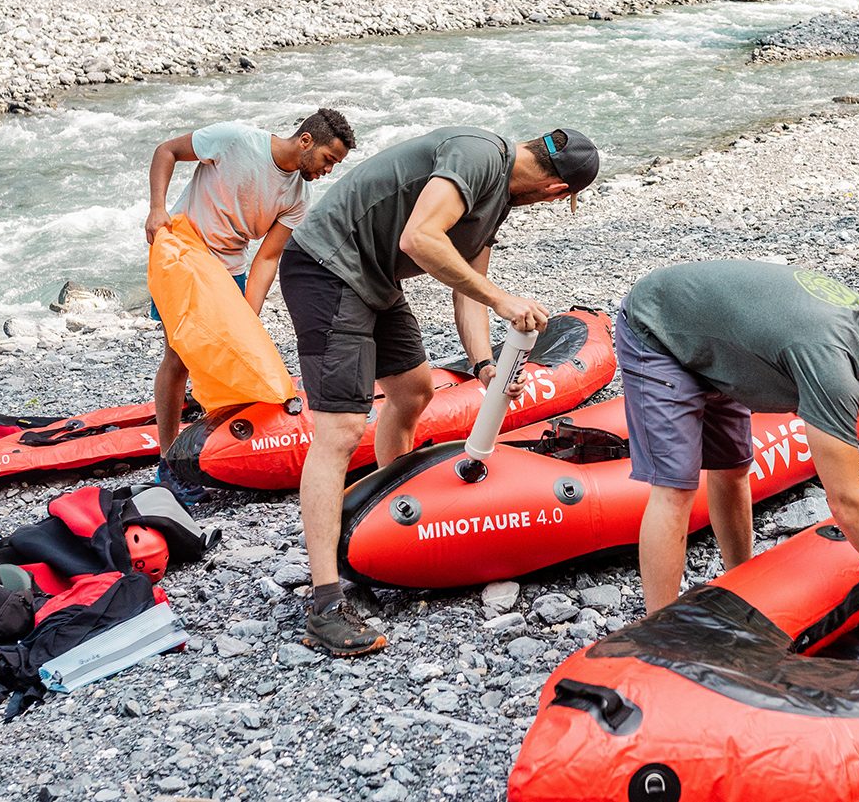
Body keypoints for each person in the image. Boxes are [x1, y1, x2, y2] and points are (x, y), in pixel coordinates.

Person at [283, 126, 600, 655]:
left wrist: (483, 366)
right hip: (326, 267)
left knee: (412, 392)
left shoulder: (496, 200)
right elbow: (420, 239)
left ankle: (382, 518)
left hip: (375, 280)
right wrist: (503, 298)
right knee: (340, 428)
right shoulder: (478, 155)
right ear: (556, 193)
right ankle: (325, 602)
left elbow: (466, 291)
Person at [617, 260, 859, 645]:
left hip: (720, 339)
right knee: (676, 487)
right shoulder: (833, 364)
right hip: (658, 327)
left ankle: (743, 586)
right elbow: (848, 502)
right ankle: (657, 636)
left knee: (734, 467)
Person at [144, 110, 354, 500]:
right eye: (328, 159)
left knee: (238, 358)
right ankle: (169, 463)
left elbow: (268, 259)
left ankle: (215, 452)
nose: (328, 170)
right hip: (184, 253)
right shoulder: (235, 140)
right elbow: (166, 151)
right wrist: (157, 209)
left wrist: (247, 317)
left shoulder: (299, 197)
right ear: (306, 141)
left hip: (230, 271)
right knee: (179, 356)